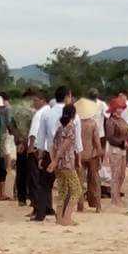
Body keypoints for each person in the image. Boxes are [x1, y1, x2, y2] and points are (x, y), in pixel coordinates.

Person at [35, 86, 83, 220]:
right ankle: (65, 217)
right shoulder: (74, 118)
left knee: (47, 186)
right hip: (66, 158)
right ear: (67, 96)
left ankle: (43, 213)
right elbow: (77, 141)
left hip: (49, 153)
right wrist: (79, 159)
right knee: (73, 189)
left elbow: (41, 138)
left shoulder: (46, 113)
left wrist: (40, 156)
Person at [47, 104, 83, 225]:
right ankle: (67, 217)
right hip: (67, 163)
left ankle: (59, 218)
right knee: (76, 190)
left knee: (62, 190)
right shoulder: (70, 127)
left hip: (59, 164)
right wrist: (55, 160)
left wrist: (54, 161)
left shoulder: (59, 128)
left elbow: (53, 145)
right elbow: (64, 146)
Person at [74, 97, 103, 212]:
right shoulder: (93, 124)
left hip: (80, 155)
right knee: (95, 180)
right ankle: (98, 205)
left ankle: (80, 205)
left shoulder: (76, 124)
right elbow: (97, 142)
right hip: (92, 155)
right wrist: (99, 155)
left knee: (79, 181)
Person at [26, 89, 51, 220]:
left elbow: (33, 134)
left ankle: (37, 207)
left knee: (35, 180)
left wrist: (30, 149)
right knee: (45, 181)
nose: (34, 103)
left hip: (37, 150)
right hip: (47, 149)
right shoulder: (50, 111)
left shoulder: (39, 114)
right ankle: (47, 206)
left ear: (42, 100)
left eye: (35, 100)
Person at [9, 98, 34, 207]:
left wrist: (19, 140)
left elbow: (11, 127)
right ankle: (31, 197)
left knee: (21, 171)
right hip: (30, 145)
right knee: (31, 172)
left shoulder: (16, 111)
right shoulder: (32, 112)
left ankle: (21, 198)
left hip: (21, 145)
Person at [105, 97, 128, 207]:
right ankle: (114, 198)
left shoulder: (122, 120)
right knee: (115, 174)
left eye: (122, 108)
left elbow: (127, 134)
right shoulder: (111, 121)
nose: (121, 109)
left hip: (123, 149)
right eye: (119, 107)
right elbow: (110, 137)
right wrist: (121, 143)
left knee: (122, 174)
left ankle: (117, 194)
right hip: (115, 149)